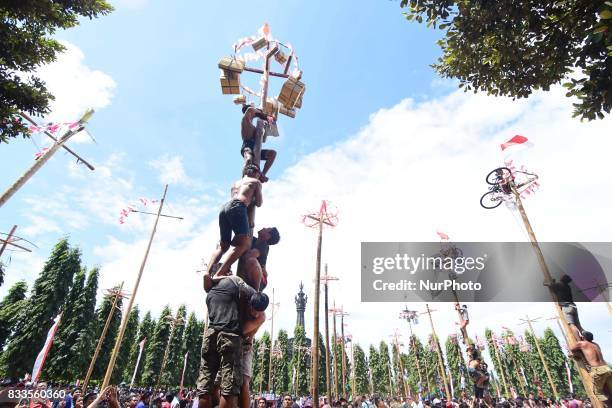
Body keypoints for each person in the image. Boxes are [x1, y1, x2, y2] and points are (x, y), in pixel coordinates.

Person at [197, 273, 268, 408]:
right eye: (253, 310)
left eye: (258, 312)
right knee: (226, 388)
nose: (255, 314)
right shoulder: (241, 293)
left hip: (229, 339)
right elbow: (239, 331)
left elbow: (244, 332)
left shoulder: (214, 292)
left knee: (218, 384)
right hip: (230, 339)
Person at [204, 164, 263, 288]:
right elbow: (258, 203)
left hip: (225, 208)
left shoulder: (236, 183)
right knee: (245, 244)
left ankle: (207, 273)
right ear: (255, 172)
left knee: (223, 245)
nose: (259, 176)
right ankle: (219, 273)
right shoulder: (255, 181)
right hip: (238, 206)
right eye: (259, 173)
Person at [569, 331, 611, 404]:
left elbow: (572, 349)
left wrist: (572, 354)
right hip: (607, 368)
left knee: (598, 393)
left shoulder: (581, 343)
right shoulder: (596, 345)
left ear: (583, 337)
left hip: (598, 370)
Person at [241, 105, 277, 183]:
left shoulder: (255, 127)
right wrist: (264, 115)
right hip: (248, 147)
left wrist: (266, 129)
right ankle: (243, 179)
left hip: (257, 149)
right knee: (248, 160)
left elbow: (262, 140)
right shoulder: (245, 120)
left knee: (272, 153)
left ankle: (262, 174)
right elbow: (250, 109)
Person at [544, 275, 585, 341]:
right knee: (579, 326)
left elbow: (546, 284)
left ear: (562, 279)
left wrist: (547, 281)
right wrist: (553, 282)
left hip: (566, 307)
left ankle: (579, 341)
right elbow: (555, 289)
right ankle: (586, 339)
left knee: (572, 325)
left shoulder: (559, 285)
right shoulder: (567, 287)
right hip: (573, 306)